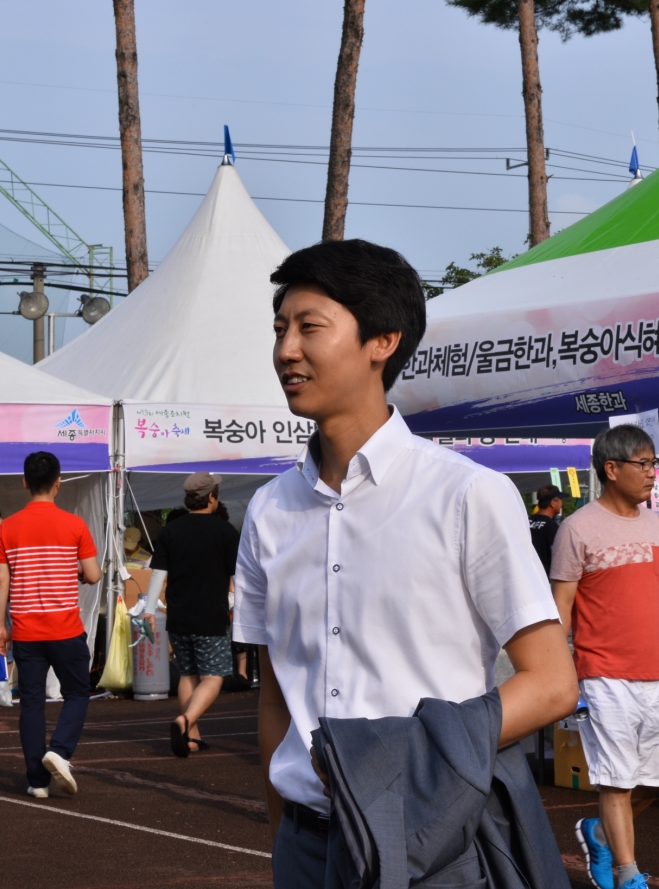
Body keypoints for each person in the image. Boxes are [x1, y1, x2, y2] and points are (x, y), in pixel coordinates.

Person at [235, 239, 577, 888]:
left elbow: (553, 681)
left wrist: (410, 757)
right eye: (280, 328)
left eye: (310, 327)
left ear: (381, 340)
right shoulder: (267, 512)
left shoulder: (466, 494)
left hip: (432, 842)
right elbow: (277, 697)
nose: (286, 350)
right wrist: (288, 838)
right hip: (305, 845)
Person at [553, 424, 659, 889]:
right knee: (615, 782)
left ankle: (599, 833)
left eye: (655, 463)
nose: (653, 473)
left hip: (656, 671)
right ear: (611, 469)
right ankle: (627, 874)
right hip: (602, 674)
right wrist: (562, 672)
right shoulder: (576, 528)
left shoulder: (654, 525)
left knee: (654, 780)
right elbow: (561, 609)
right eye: (644, 464)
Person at [0, 451, 101, 799]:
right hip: (66, 628)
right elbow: (94, 574)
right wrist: (80, 573)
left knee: (32, 703)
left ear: (25, 483)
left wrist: (0, 626)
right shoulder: (74, 525)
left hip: (25, 631)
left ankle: (37, 780)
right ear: (58, 483)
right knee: (78, 692)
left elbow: (1, 583)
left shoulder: (8, 527)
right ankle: (61, 749)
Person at [153, 471, 240, 757]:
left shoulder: (170, 530)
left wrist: (147, 606)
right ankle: (185, 721)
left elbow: (158, 574)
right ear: (212, 497)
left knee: (188, 674)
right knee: (213, 677)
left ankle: (191, 736)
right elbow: (237, 576)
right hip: (210, 616)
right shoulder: (225, 532)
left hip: (179, 616)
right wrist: (237, 603)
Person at [530, 485, 563, 575]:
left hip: (526, 575)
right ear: (553, 503)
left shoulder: (525, 522)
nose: (562, 503)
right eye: (561, 499)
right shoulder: (552, 526)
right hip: (544, 577)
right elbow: (559, 556)